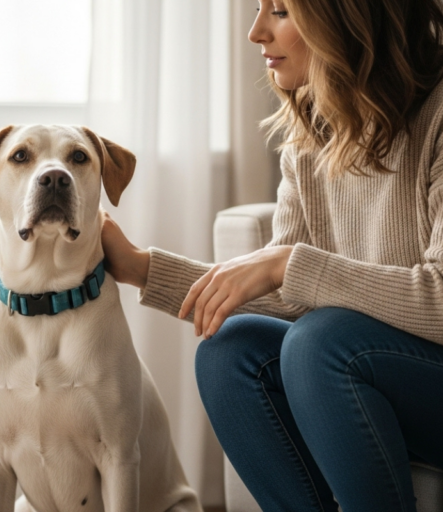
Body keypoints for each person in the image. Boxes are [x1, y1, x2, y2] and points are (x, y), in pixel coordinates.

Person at [101, 0, 443, 510]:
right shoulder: (309, 142)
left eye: (280, 11)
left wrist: (288, 263)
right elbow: (291, 299)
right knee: (230, 352)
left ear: (349, 17)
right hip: (379, 374)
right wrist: (138, 267)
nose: (255, 32)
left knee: (322, 342)